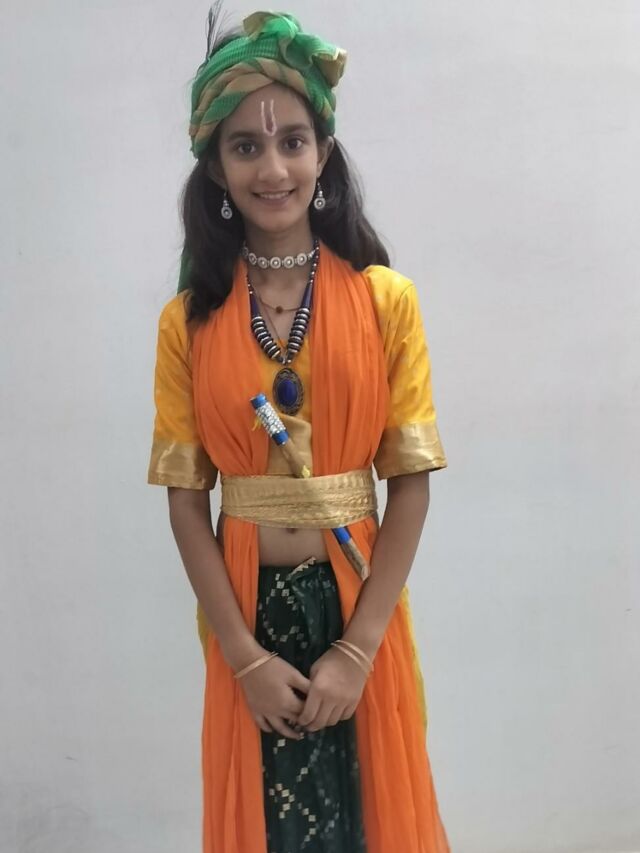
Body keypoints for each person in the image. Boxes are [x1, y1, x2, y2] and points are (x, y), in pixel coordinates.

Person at [148, 9, 450, 853]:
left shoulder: (386, 301)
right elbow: (186, 503)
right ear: (215, 166)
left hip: (359, 608)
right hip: (246, 614)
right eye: (245, 146)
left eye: (292, 141)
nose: (273, 167)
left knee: (368, 818)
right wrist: (243, 656)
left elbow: (410, 484)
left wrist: (359, 648)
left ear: (324, 153)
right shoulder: (188, 323)